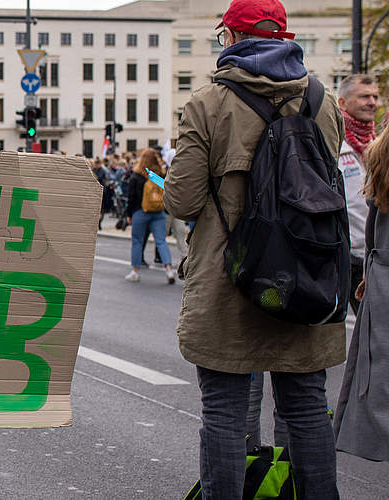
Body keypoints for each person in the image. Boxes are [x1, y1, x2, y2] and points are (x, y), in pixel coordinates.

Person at [162, 1, 344, 497]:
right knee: (306, 406)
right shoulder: (323, 100)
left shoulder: (209, 101)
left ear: (232, 37)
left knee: (223, 410)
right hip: (309, 271)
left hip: (230, 277)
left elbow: (182, 199)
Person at [334, 130, 389, 462]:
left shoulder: (380, 153)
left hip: (383, 279)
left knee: (381, 384)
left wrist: (370, 273)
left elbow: (373, 222)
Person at [336, 74, 379, 312]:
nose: (372, 102)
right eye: (364, 96)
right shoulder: (334, 143)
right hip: (347, 257)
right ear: (342, 103)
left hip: (377, 255)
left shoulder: (378, 144)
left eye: (375, 96)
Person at [124, 149, 175, 284]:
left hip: (140, 212)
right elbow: (166, 192)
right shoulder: (159, 174)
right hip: (158, 212)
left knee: (137, 241)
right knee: (161, 241)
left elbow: (131, 197)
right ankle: (169, 269)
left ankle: (135, 271)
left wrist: (129, 215)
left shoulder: (136, 175)